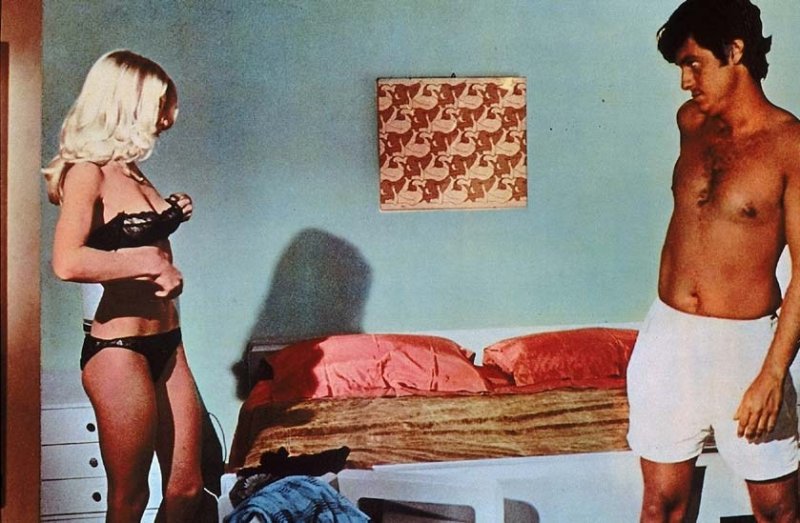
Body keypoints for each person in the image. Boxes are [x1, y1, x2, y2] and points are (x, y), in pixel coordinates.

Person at [626, 0, 800, 521]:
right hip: (668, 336)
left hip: (744, 348)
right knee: (661, 506)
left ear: (735, 51)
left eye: (693, 63)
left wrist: (773, 374)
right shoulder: (691, 123)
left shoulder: (790, 145)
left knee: (777, 510)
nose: (685, 81)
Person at [44, 50, 204, 522]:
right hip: (119, 350)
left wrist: (172, 211)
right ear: (126, 103)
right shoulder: (86, 172)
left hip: (168, 342)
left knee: (187, 491)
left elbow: (125, 227)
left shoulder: (130, 169)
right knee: (130, 498)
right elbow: (67, 261)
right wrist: (149, 261)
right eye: (161, 104)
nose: (169, 116)